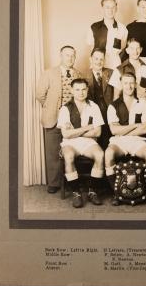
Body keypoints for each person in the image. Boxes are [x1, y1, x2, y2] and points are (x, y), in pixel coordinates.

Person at [105, 72, 146, 205]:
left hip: (138, 141)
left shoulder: (144, 103)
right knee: (108, 153)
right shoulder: (113, 105)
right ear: (121, 85)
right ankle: (116, 192)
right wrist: (135, 125)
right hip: (119, 142)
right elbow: (113, 130)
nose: (129, 86)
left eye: (131, 83)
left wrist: (123, 130)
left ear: (135, 85)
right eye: (126, 83)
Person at [35, 45, 82, 194]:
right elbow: (40, 95)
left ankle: (71, 182)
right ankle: (54, 183)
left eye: (73, 55)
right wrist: (51, 108)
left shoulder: (79, 74)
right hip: (53, 118)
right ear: (60, 56)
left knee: (73, 150)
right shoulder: (49, 73)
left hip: (72, 121)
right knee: (53, 152)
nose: (70, 58)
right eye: (67, 55)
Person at [57, 78, 106, 208]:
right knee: (68, 156)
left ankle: (92, 190)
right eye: (77, 89)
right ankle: (76, 192)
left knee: (100, 155)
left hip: (88, 142)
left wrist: (76, 131)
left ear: (87, 90)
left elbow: (98, 133)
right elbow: (66, 134)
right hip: (70, 143)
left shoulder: (93, 106)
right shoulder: (65, 109)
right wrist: (86, 128)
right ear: (72, 91)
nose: (81, 92)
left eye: (84, 89)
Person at [86, 0, 128, 70]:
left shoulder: (122, 28)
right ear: (102, 9)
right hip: (98, 64)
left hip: (114, 65)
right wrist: (92, 64)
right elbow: (91, 47)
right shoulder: (94, 27)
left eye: (113, 7)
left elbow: (122, 49)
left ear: (116, 9)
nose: (110, 10)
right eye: (107, 7)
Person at [109, 38, 146, 104]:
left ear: (141, 49)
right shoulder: (119, 70)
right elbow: (116, 96)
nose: (135, 51)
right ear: (127, 50)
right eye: (132, 48)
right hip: (125, 109)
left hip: (142, 108)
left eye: (137, 48)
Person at [85, 47, 114, 150]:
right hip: (93, 115)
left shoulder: (111, 73)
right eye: (96, 59)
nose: (99, 62)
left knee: (109, 143)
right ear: (90, 59)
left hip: (109, 113)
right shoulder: (84, 76)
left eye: (101, 59)